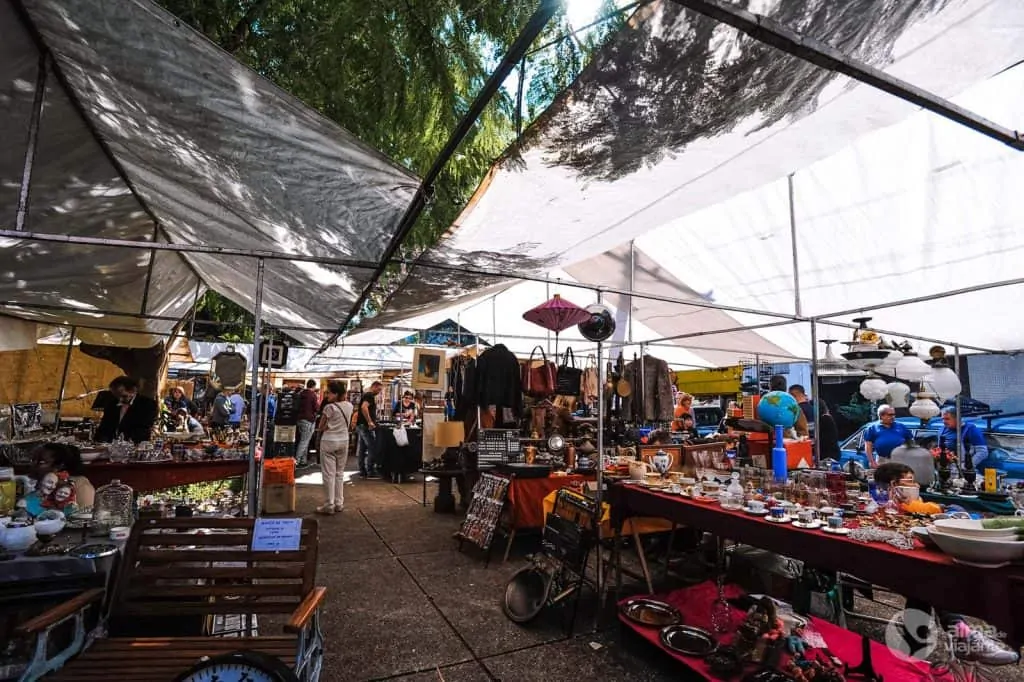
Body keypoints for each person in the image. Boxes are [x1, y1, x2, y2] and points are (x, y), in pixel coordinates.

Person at [872, 463, 1018, 665]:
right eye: (909, 481)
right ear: (893, 485)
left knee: (924, 581)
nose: (914, 485)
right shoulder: (885, 505)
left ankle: (922, 650)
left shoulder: (911, 502)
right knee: (926, 579)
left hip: (909, 564)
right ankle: (957, 635)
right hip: (887, 560)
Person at [316, 380, 353, 515]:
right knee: (339, 473)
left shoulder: (329, 408)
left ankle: (329, 504)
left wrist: (326, 427)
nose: (327, 396)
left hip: (329, 441)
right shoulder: (349, 406)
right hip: (344, 440)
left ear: (336, 394)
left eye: (329, 393)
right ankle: (339, 503)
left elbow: (320, 427)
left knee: (328, 474)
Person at [95, 376, 159, 444]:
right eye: (116, 396)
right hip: (110, 447)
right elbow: (103, 427)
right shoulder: (111, 404)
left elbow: (143, 430)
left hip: (135, 446)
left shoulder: (147, 404)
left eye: (124, 396)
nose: (120, 399)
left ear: (133, 391)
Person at [32, 442, 95, 508]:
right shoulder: (36, 484)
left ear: (60, 466)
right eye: (33, 460)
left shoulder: (80, 485)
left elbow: (86, 514)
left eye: (41, 462)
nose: (33, 465)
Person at [356, 381, 383, 479]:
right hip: (365, 426)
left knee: (362, 449)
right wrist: (370, 421)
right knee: (372, 447)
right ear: (374, 387)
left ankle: (362, 470)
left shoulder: (367, 395)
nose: (379, 392)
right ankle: (370, 471)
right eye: (379, 389)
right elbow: (364, 407)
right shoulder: (369, 396)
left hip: (361, 425)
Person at [295, 380, 320, 468]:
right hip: (308, 420)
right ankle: (296, 461)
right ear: (313, 386)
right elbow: (316, 408)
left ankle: (303, 460)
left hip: (299, 419)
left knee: (304, 440)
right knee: (304, 441)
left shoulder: (301, 394)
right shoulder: (312, 395)